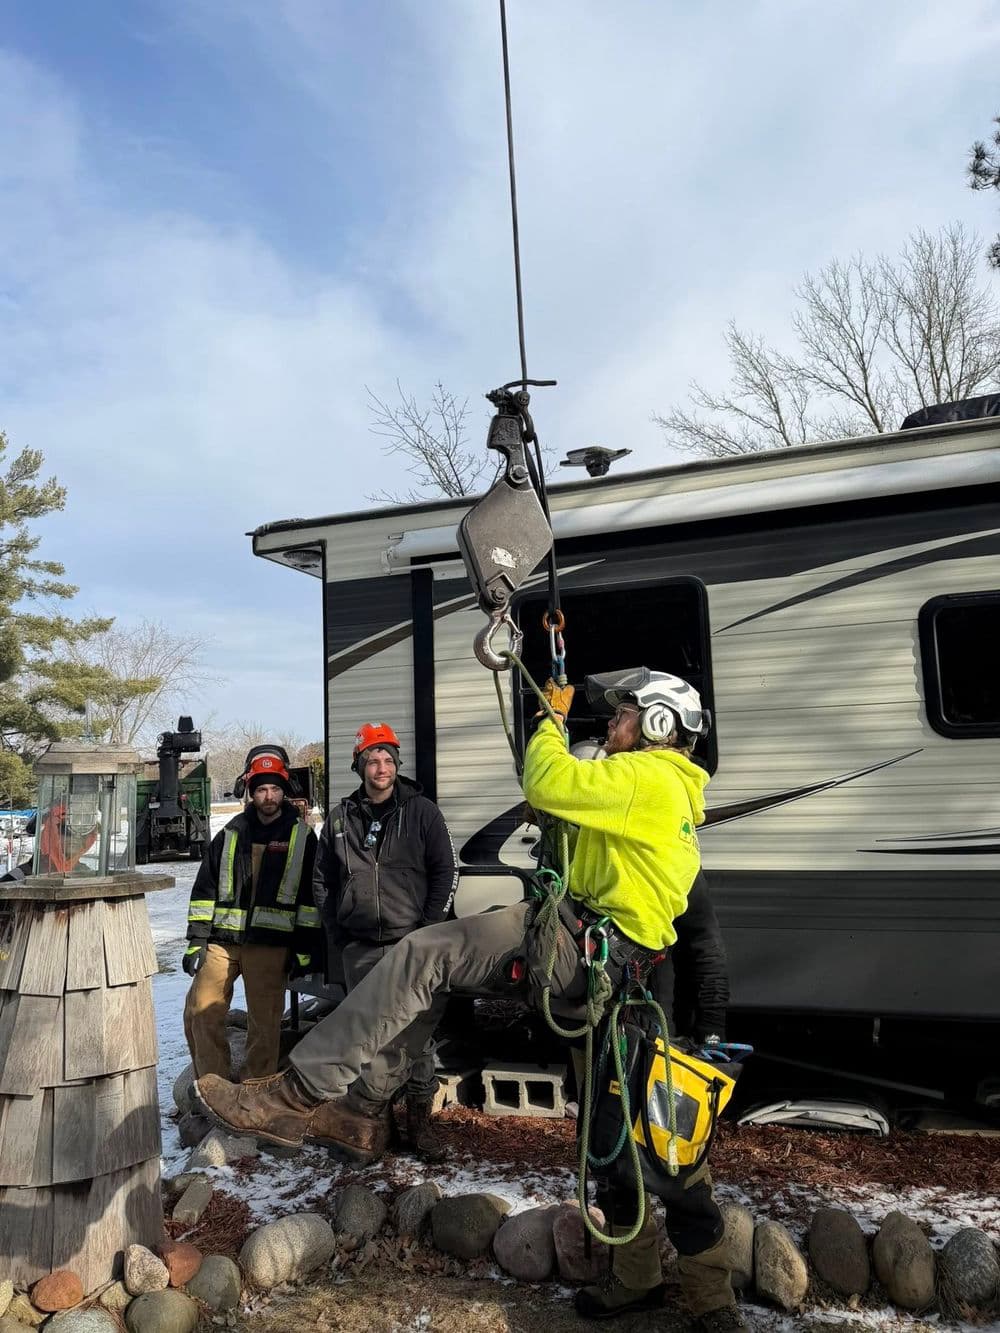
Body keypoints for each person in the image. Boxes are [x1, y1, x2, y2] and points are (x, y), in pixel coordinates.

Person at [196, 668, 745, 1332]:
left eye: (626, 713)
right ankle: (638, 1279)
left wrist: (551, 721)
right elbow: (565, 815)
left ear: (659, 727)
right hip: (587, 967)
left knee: (667, 1153)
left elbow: (702, 942)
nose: (612, 724)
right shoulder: (644, 801)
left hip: (622, 994)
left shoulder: (655, 781)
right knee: (605, 1145)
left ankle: (713, 1303)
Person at [310, 722, 457, 1162]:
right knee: (367, 1041)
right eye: (372, 760)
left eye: (388, 759)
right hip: (360, 949)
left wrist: (429, 932)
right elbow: (323, 881)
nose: (381, 767)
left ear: (397, 765)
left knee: (414, 1041)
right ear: (359, 765)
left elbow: (446, 873)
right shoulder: (339, 819)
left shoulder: (423, 812)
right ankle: (376, 1127)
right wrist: (338, 935)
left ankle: (421, 1127)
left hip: (413, 947)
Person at [183, 750, 320, 1082]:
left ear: (284, 791)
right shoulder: (230, 834)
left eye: (274, 789)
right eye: (261, 789)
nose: (268, 796)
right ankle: (212, 1085)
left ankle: (254, 1089)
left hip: (271, 945)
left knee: (265, 1022)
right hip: (222, 942)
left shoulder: (301, 837)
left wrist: (304, 946)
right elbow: (205, 889)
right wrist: (196, 940)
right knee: (201, 1011)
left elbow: (310, 897)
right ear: (251, 792)